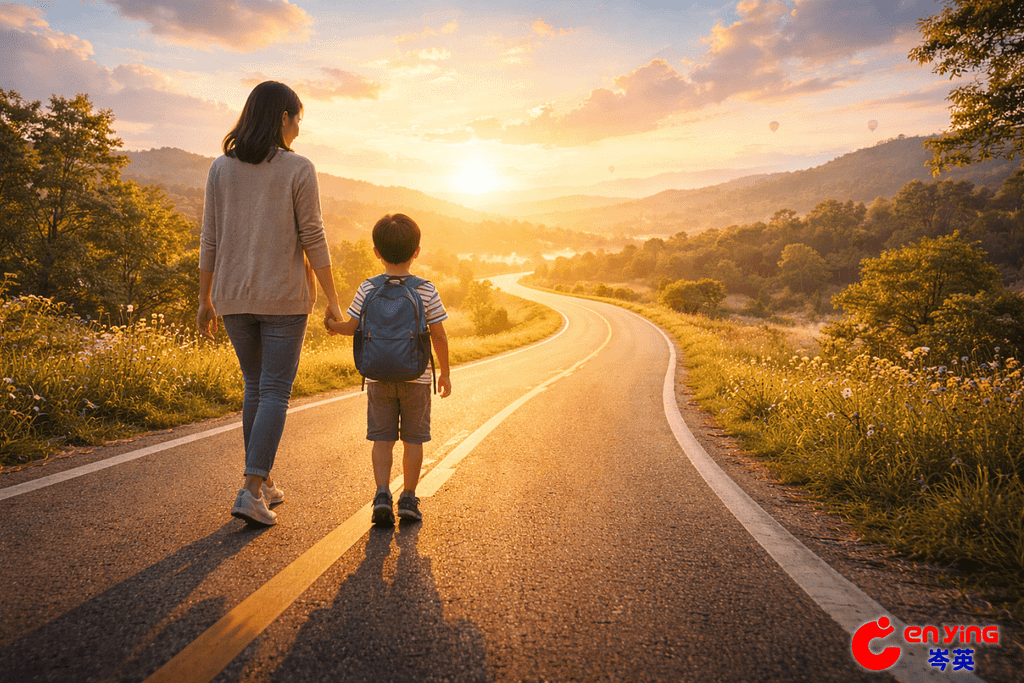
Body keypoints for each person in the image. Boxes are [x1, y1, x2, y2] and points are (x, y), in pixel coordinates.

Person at [197, 81, 342, 527]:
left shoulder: (220, 169)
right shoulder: (299, 168)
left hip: (233, 297)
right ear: (283, 117)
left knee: (255, 386)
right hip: (282, 297)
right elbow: (312, 236)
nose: (299, 127)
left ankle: (265, 483)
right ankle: (251, 489)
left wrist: (204, 299)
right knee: (275, 390)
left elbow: (209, 238)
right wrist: (333, 300)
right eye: (297, 117)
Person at [326, 214, 452, 525]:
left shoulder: (367, 288)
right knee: (414, 439)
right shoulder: (426, 289)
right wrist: (446, 373)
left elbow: (351, 328)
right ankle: (408, 498)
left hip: (378, 375)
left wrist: (332, 325)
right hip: (417, 377)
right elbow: (438, 334)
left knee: (381, 438)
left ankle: (382, 494)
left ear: (376, 252)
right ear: (417, 251)